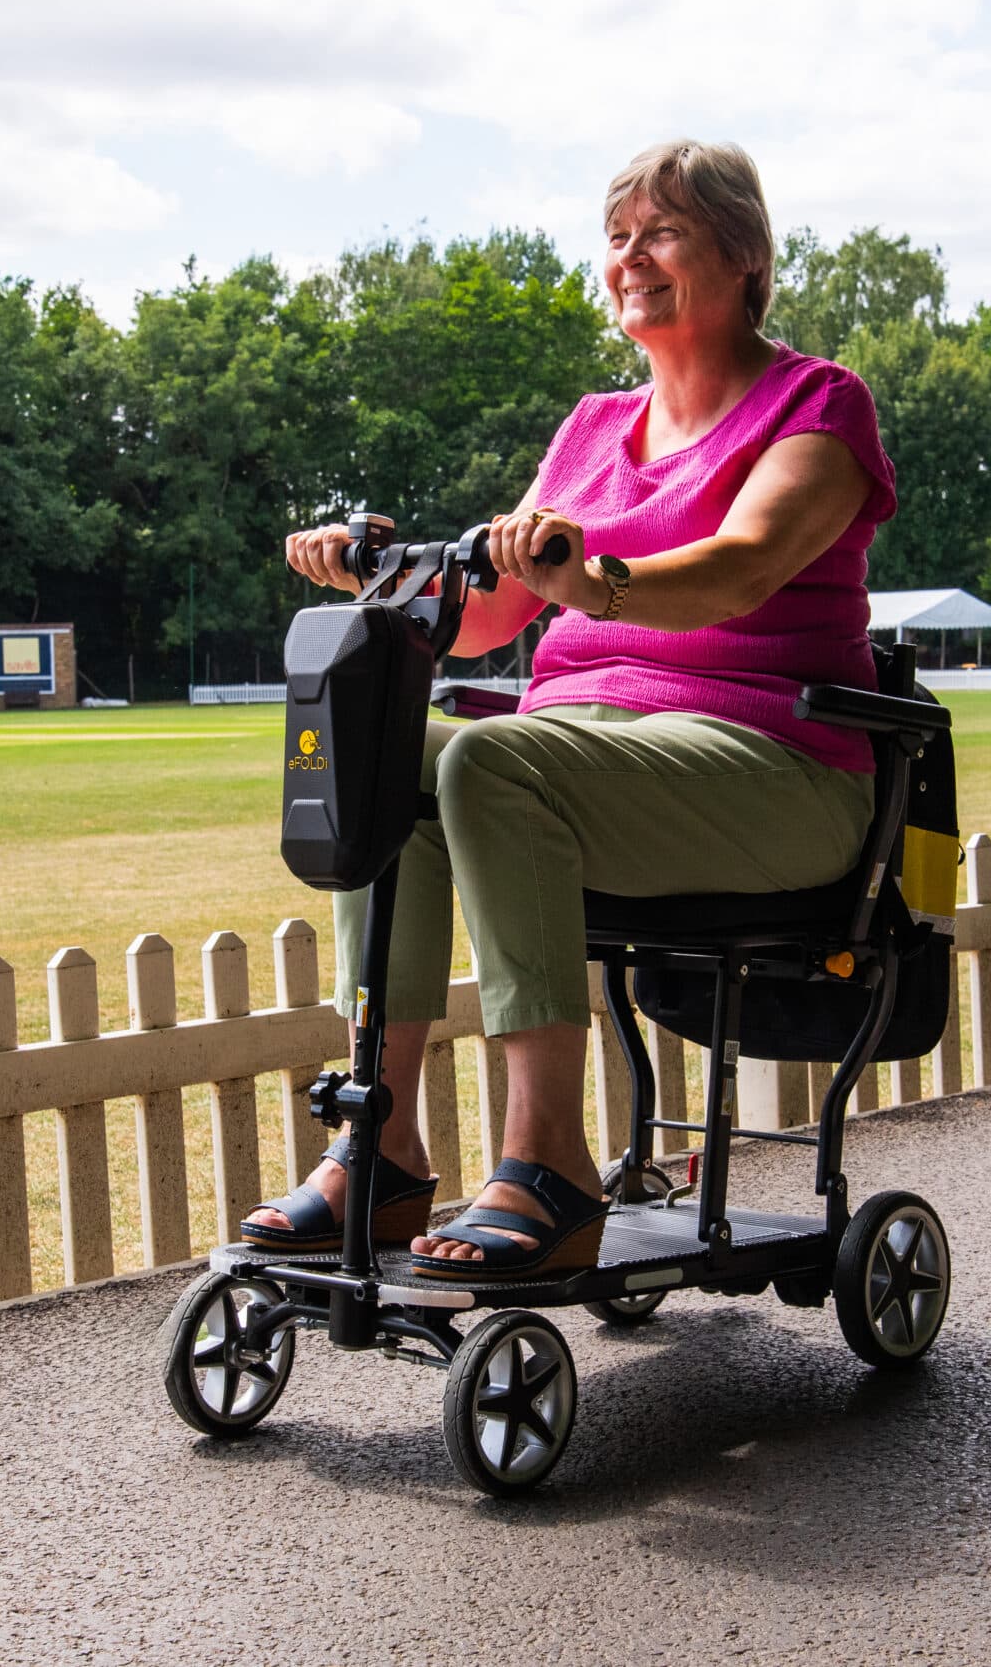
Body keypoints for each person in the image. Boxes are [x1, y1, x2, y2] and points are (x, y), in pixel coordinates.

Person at [248, 139, 896, 1280]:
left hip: (770, 762)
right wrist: (376, 572)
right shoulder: (593, 425)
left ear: (742, 254)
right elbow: (493, 615)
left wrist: (593, 580)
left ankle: (548, 1162)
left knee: (492, 762)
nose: (628, 259)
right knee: (390, 765)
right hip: (588, 755)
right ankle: (382, 1149)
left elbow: (742, 568)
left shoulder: (818, 404)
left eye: (661, 232)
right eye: (616, 237)